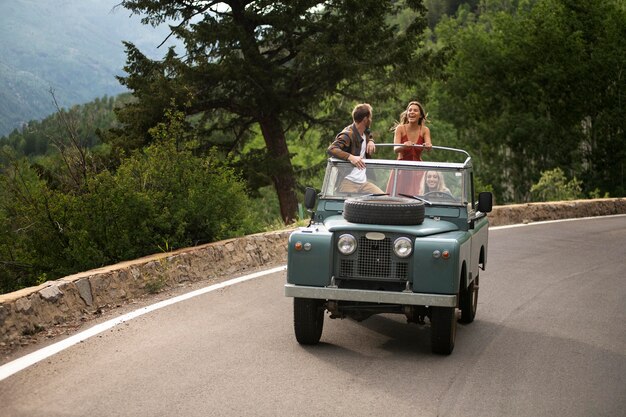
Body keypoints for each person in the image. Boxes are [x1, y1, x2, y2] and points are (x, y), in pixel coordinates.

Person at [327, 103, 383, 194]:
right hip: (348, 182)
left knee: (383, 199)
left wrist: (371, 141)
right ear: (365, 119)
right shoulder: (347, 134)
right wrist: (351, 157)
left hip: (363, 182)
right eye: (370, 118)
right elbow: (332, 148)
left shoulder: (365, 132)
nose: (371, 120)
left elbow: (369, 133)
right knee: (351, 207)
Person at [386, 101, 433, 196]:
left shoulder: (425, 130)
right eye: (410, 110)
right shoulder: (400, 128)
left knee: (415, 198)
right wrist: (403, 146)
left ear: (420, 115)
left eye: (415, 110)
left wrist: (428, 146)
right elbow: (395, 149)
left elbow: (429, 146)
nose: (412, 112)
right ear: (407, 114)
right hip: (401, 169)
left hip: (417, 170)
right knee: (396, 197)